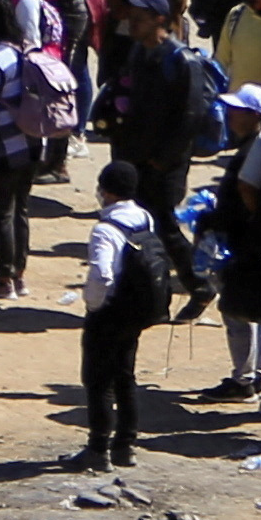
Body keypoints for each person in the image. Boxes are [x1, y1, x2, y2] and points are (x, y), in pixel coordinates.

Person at [68, 164, 162, 469]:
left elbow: (102, 274)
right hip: (136, 309)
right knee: (125, 375)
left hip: (109, 312)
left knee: (97, 381)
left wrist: (93, 306)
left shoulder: (105, 230)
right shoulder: (144, 218)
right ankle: (125, 446)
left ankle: (97, 449)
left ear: (107, 192)